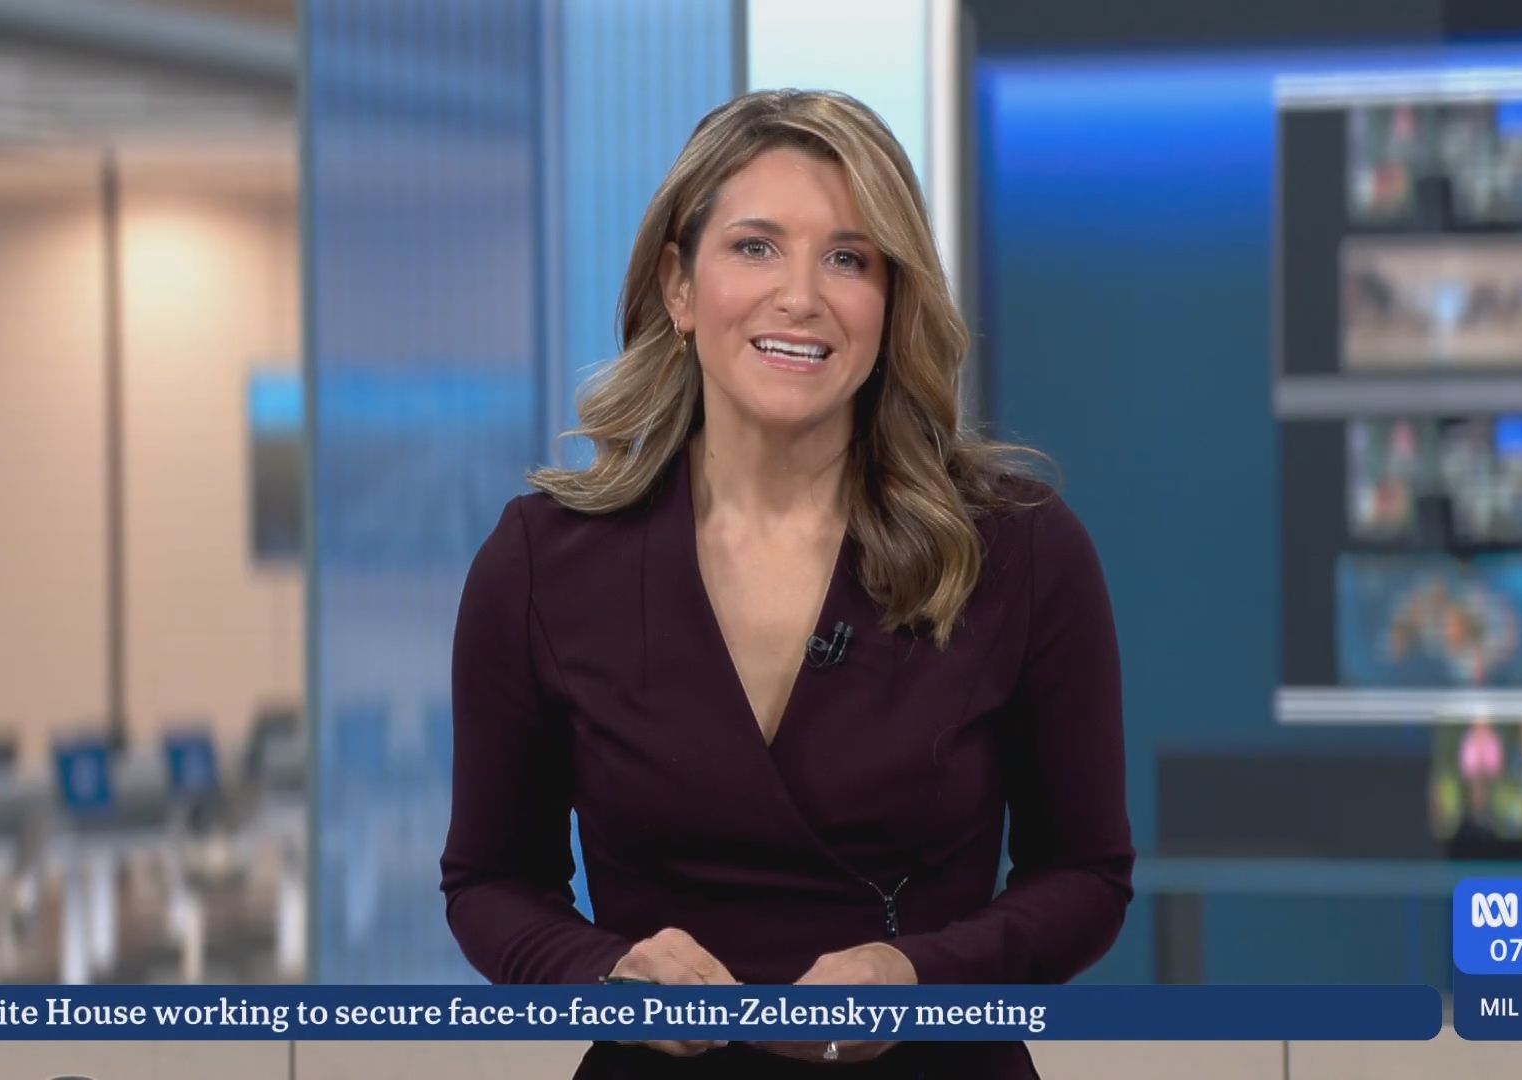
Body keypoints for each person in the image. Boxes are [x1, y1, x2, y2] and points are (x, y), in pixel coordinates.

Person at [441, 89, 1134, 1078]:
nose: (800, 296)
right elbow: (488, 882)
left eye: (848, 258)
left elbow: (1086, 876)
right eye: (756, 247)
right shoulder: (540, 564)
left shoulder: (1019, 549)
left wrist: (920, 976)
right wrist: (603, 972)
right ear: (679, 287)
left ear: (891, 303)